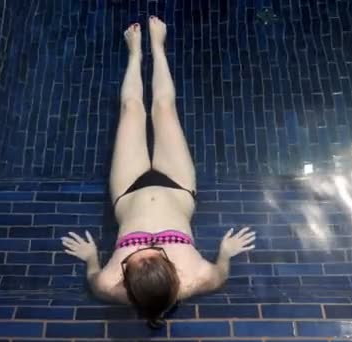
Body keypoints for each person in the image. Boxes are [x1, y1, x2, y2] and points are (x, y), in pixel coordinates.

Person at [61, 16, 256, 328]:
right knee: (164, 108)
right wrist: (226, 252)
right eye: (157, 252)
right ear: (171, 268)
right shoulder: (199, 278)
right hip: (177, 186)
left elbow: (93, 275)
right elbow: (221, 273)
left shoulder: (109, 286)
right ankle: (158, 46)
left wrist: (90, 257)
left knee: (131, 109)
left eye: (135, 256)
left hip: (128, 189)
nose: (147, 247)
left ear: (125, 276)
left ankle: (135, 52)